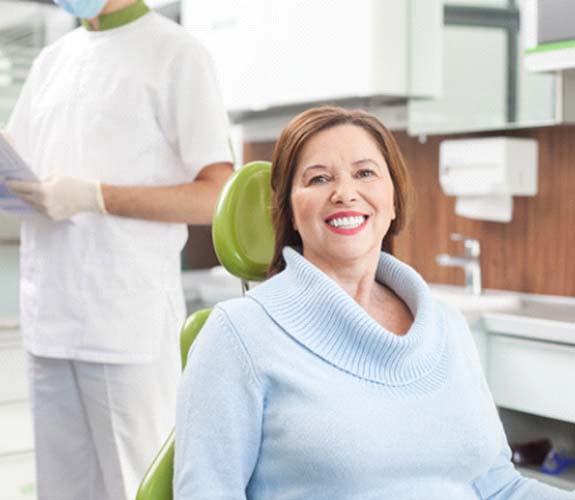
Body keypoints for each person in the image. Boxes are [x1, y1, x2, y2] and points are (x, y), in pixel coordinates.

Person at [174, 106, 575, 499]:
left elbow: (498, 486)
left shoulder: (446, 325)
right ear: (290, 213)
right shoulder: (238, 335)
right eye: (318, 178)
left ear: (394, 199)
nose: (345, 192)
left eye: (365, 173)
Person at [5, 0, 234, 499]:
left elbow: (216, 194)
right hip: (48, 319)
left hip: (124, 328)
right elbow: (20, 158)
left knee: (138, 488)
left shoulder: (176, 53)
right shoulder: (52, 60)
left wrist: (96, 197)